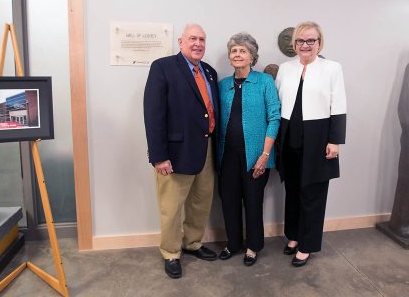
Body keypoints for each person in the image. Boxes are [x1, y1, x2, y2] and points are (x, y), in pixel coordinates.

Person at [143, 24, 219, 279]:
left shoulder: (209, 71)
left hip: (207, 148)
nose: (198, 43)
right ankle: (171, 252)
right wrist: (159, 156)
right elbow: (154, 115)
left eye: (202, 39)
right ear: (180, 42)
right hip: (174, 153)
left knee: (201, 201)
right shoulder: (162, 67)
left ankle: (193, 243)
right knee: (172, 207)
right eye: (193, 38)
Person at [276, 21, 347, 267]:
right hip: (289, 137)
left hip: (318, 139)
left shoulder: (332, 68)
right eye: (300, 41)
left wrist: (335, 141)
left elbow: (338, 104)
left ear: (319, 43)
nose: (305, 45)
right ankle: (294, 236)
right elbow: (278, 102)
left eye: (311, 41)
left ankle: (307, 245)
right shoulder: (286, 68)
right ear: (294, 44)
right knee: (293, 190)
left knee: (313, 193)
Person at [217, 32, 280, 266]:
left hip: (256, 157)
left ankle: (253, 246)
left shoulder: (264, 82)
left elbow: (274, 118)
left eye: (242, 50)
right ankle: (232, 243)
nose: (237, 54)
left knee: (253, 202)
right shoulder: (223, 85)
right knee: (229, 202)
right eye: (234, 51)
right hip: (227, 156)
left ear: (252, 57)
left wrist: (265, 155)